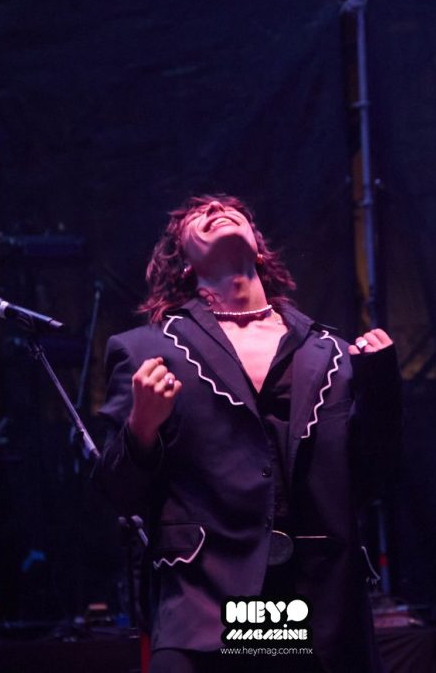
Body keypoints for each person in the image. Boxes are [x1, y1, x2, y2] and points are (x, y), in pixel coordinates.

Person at [95, 195, 401, 672]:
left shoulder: (332, 352)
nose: (217, 208)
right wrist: (142, 426)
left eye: (230, 208)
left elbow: (369, 478)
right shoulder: (146, 351)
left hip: (316, 606)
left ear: (258, 248)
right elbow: (118, 494)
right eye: (198, 215)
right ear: (183, 262)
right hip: (206, 604)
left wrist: (381, 390)